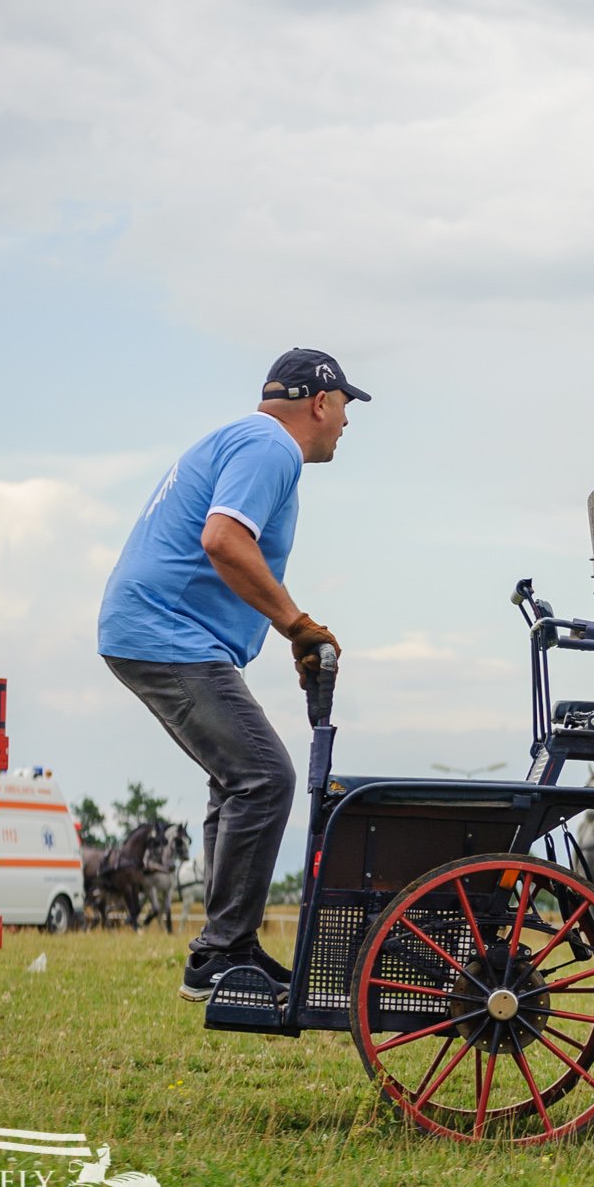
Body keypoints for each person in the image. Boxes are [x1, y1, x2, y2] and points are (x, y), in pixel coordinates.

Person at [98, 347, 368, 1001]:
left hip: (164, 632)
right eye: (345, 409)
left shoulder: (247, 441)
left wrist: (287, 631)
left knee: (237, 780)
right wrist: (297, 624)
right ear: (320, 402)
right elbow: (222, 539)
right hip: (164, 634)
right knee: (265, 777)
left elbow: (231, 551)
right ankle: (218, 954)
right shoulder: (269, 445)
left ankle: (231, 946)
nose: (346, 425)